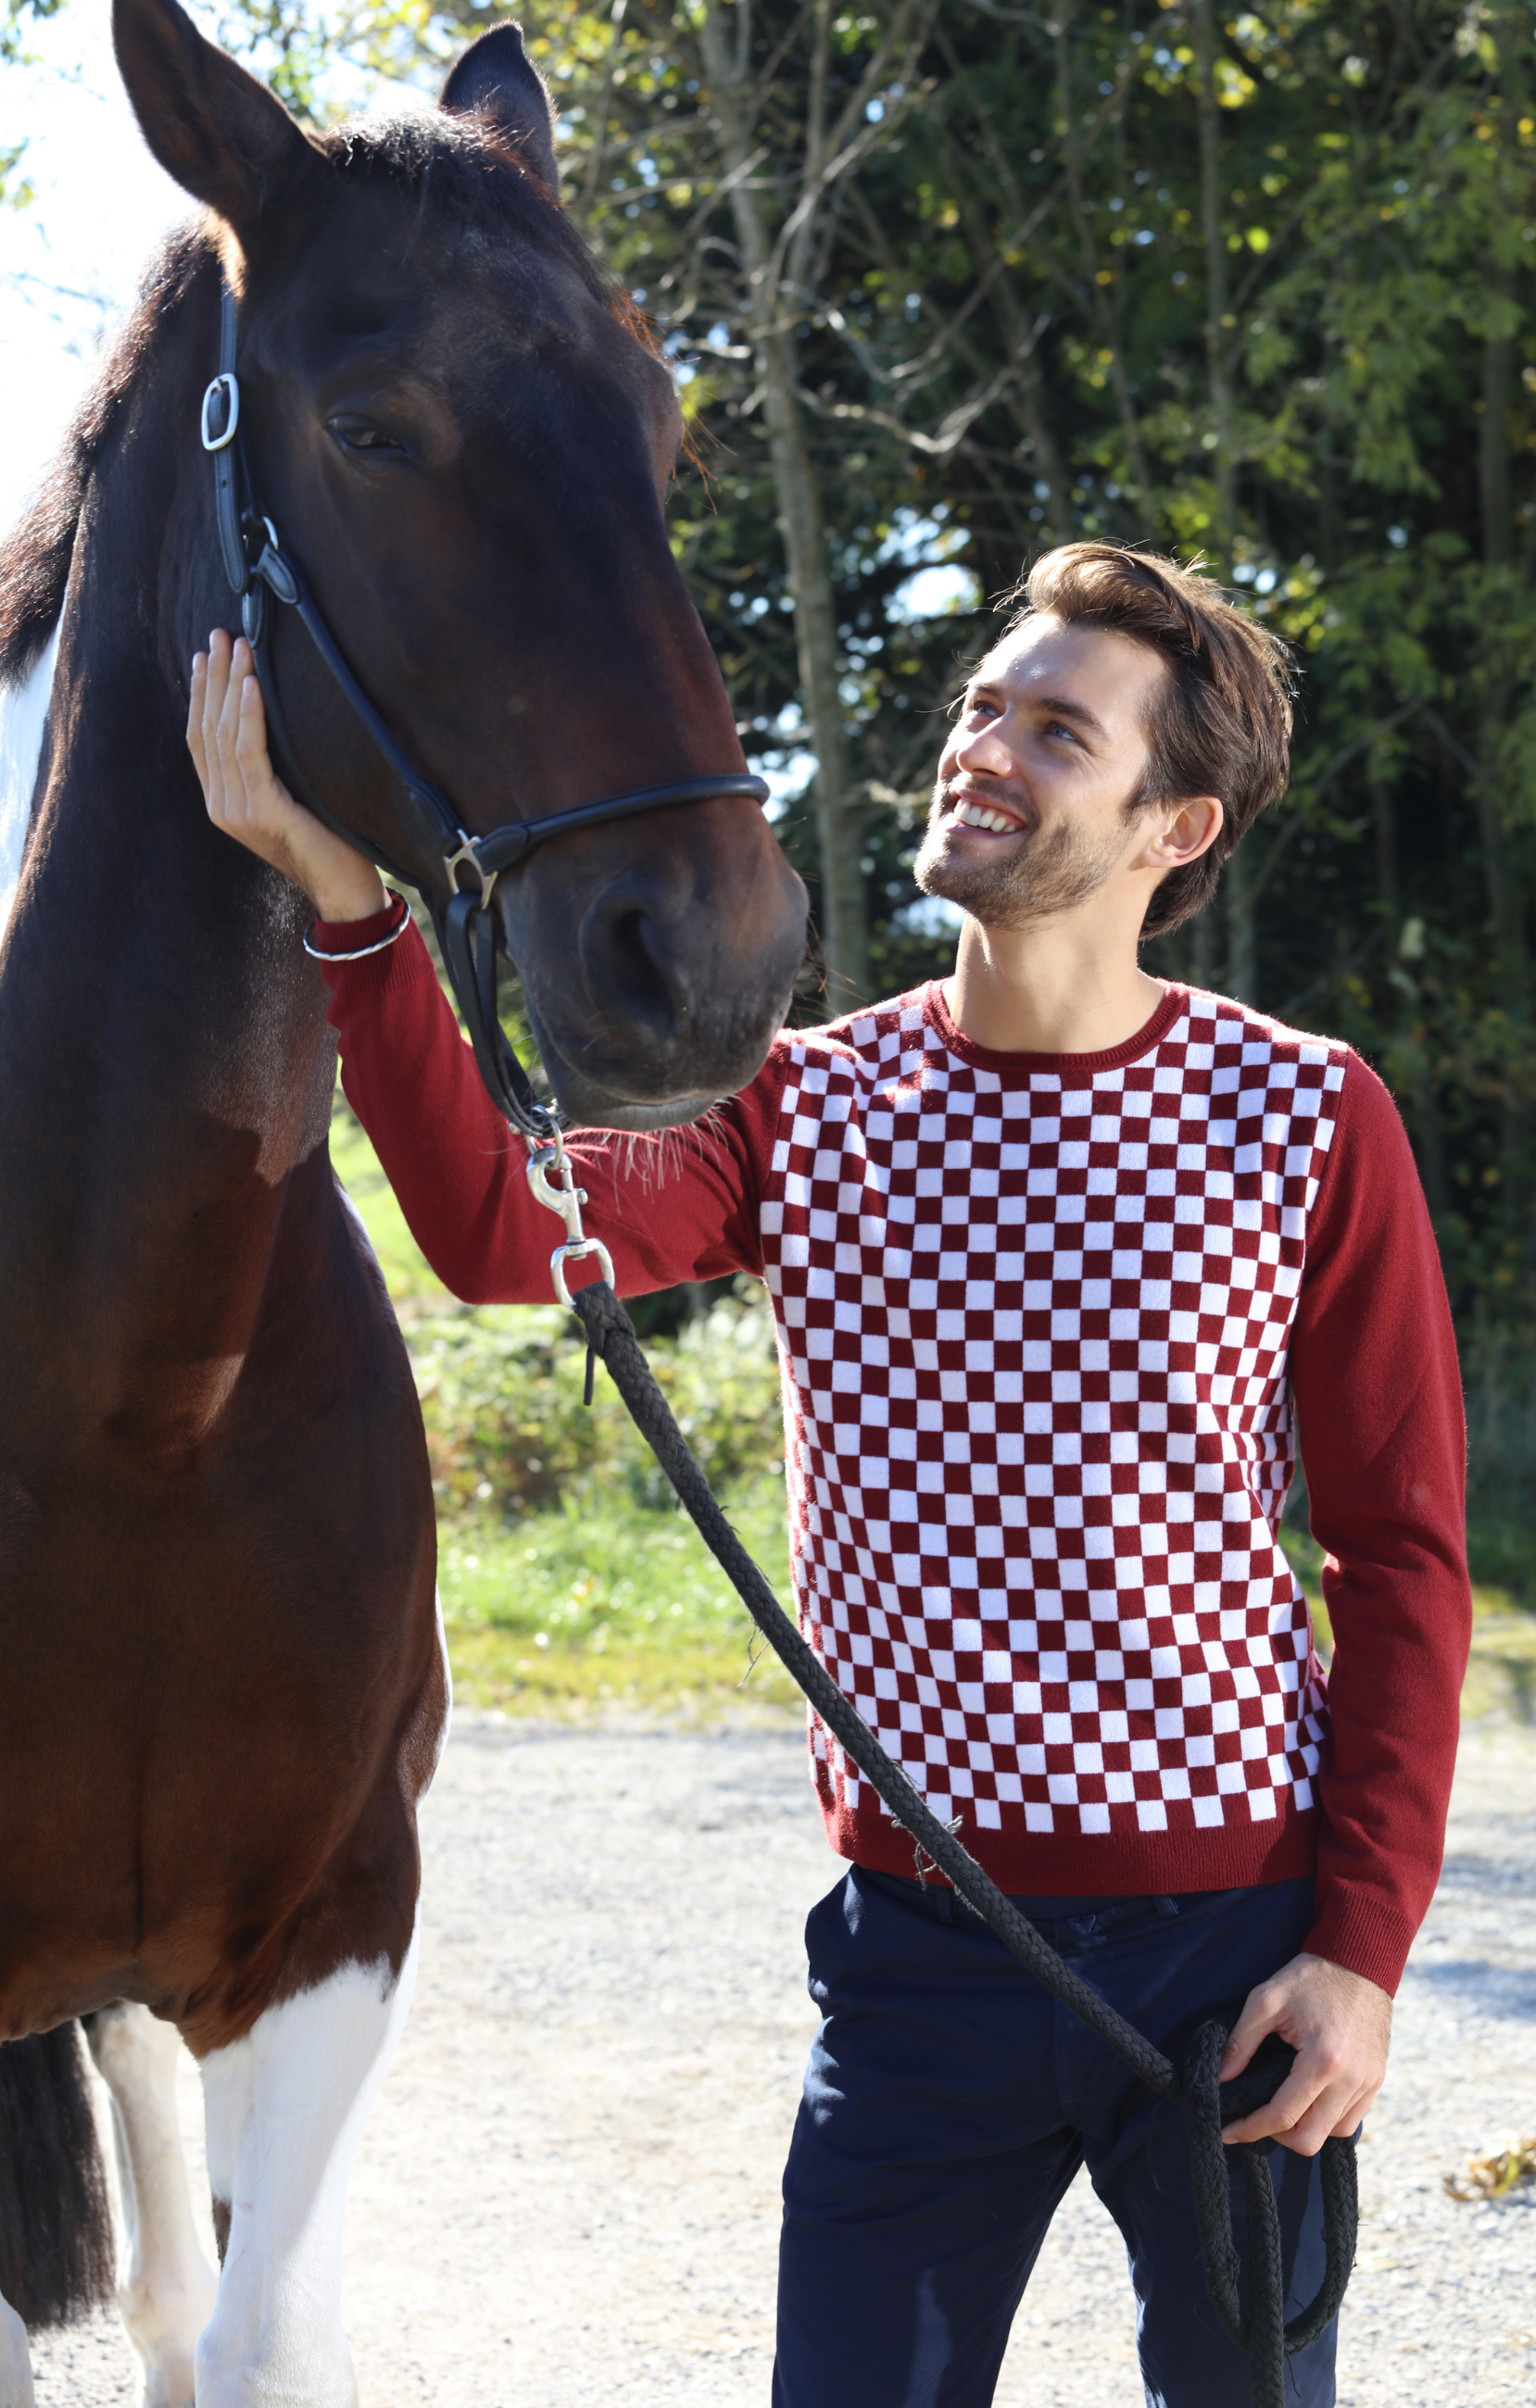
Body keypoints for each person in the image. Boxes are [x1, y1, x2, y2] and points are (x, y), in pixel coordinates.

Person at [188, 544, 1469, 2408]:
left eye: (1055, 730)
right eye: (980, 707)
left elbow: (1405, 1558)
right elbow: (492, 1220)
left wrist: (1358, 1950)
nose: (985, 749)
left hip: (1228, 1971)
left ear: (1173, 826)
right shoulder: (809, 1106)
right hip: (919, 1962)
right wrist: (345, 903)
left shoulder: (1307, 1115)